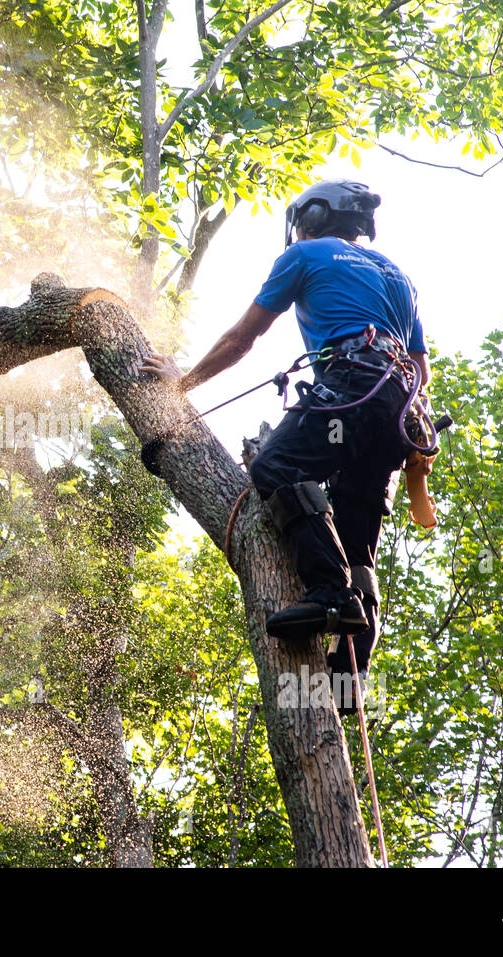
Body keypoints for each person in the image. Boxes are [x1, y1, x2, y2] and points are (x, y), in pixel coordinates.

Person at [141, 179, 430, 713]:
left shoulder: (305, 254)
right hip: (397, 412)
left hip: (350, 386)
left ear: (315, 216)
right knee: (358, 542)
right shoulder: (399, 276)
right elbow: (421, 371)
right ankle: (349, 676)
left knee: (276, 465)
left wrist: (180, 385)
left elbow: (241, 339)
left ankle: (328, 594)